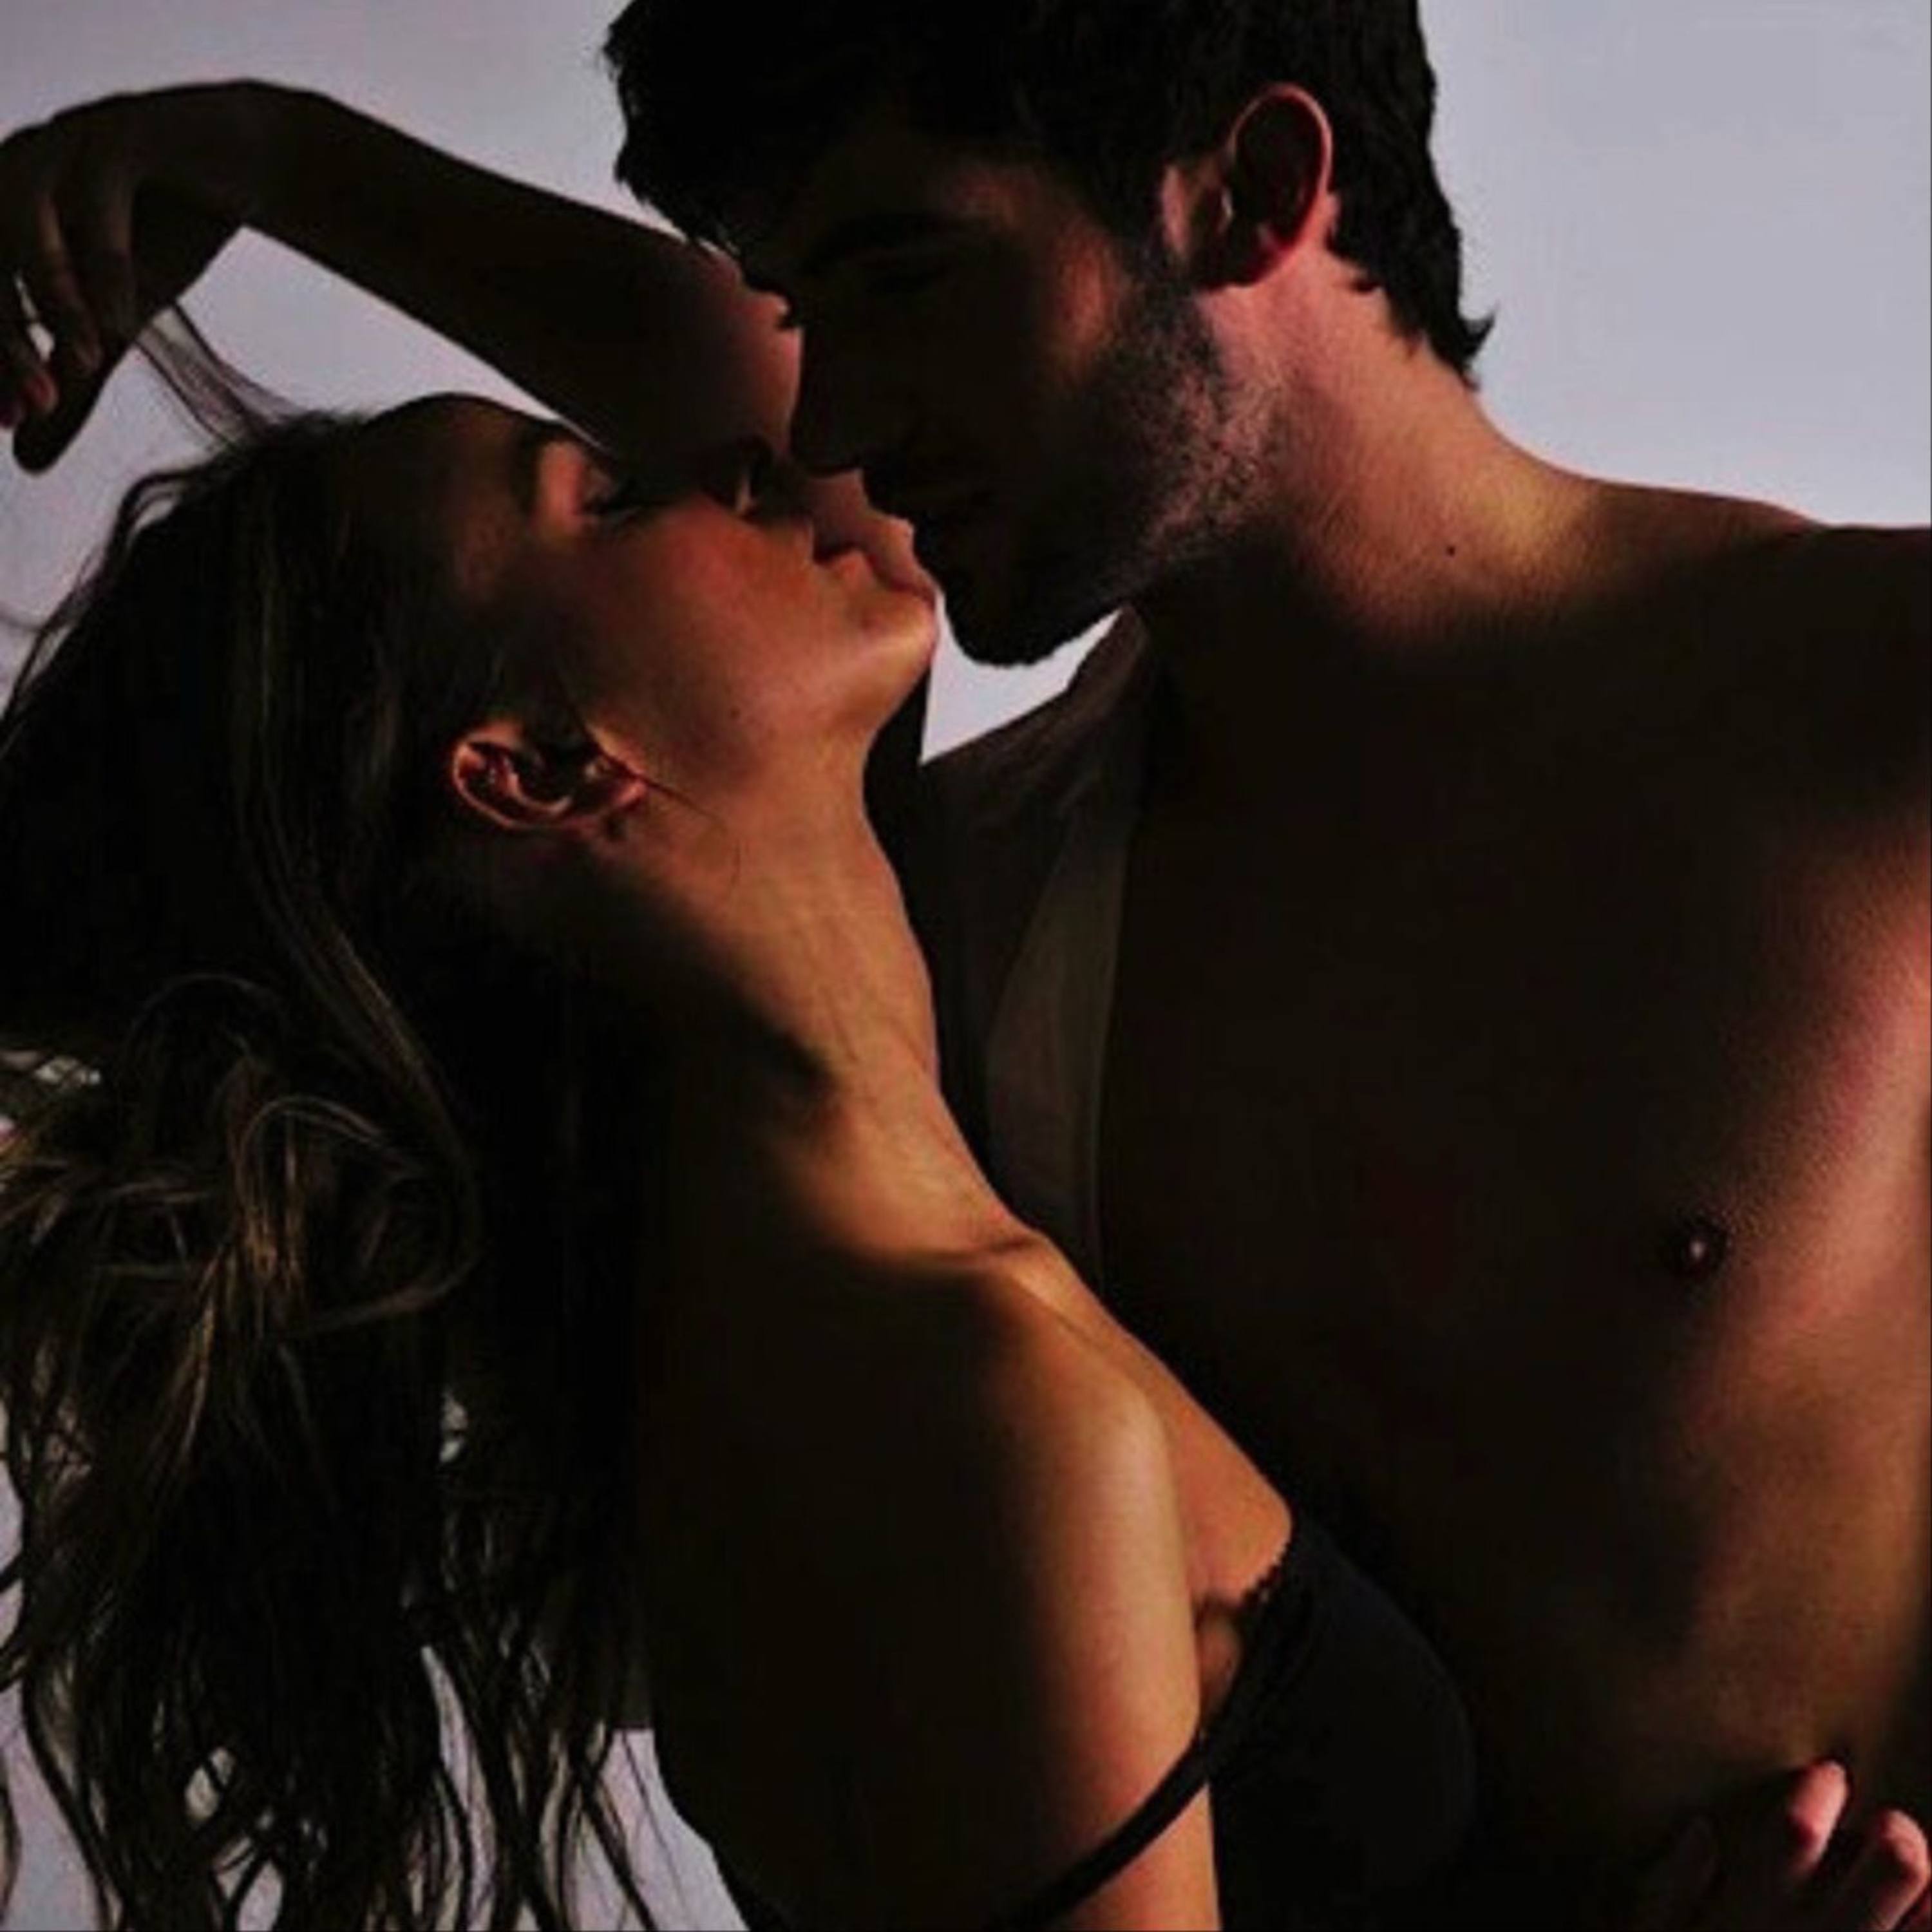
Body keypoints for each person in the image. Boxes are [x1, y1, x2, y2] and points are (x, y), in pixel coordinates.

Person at [0, 48, 1926, 1931]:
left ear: (1257, 193)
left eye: (899, 279)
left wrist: (263, 152)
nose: (825, 421)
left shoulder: (1872, 722)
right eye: (798, 311)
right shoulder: (946, 945)